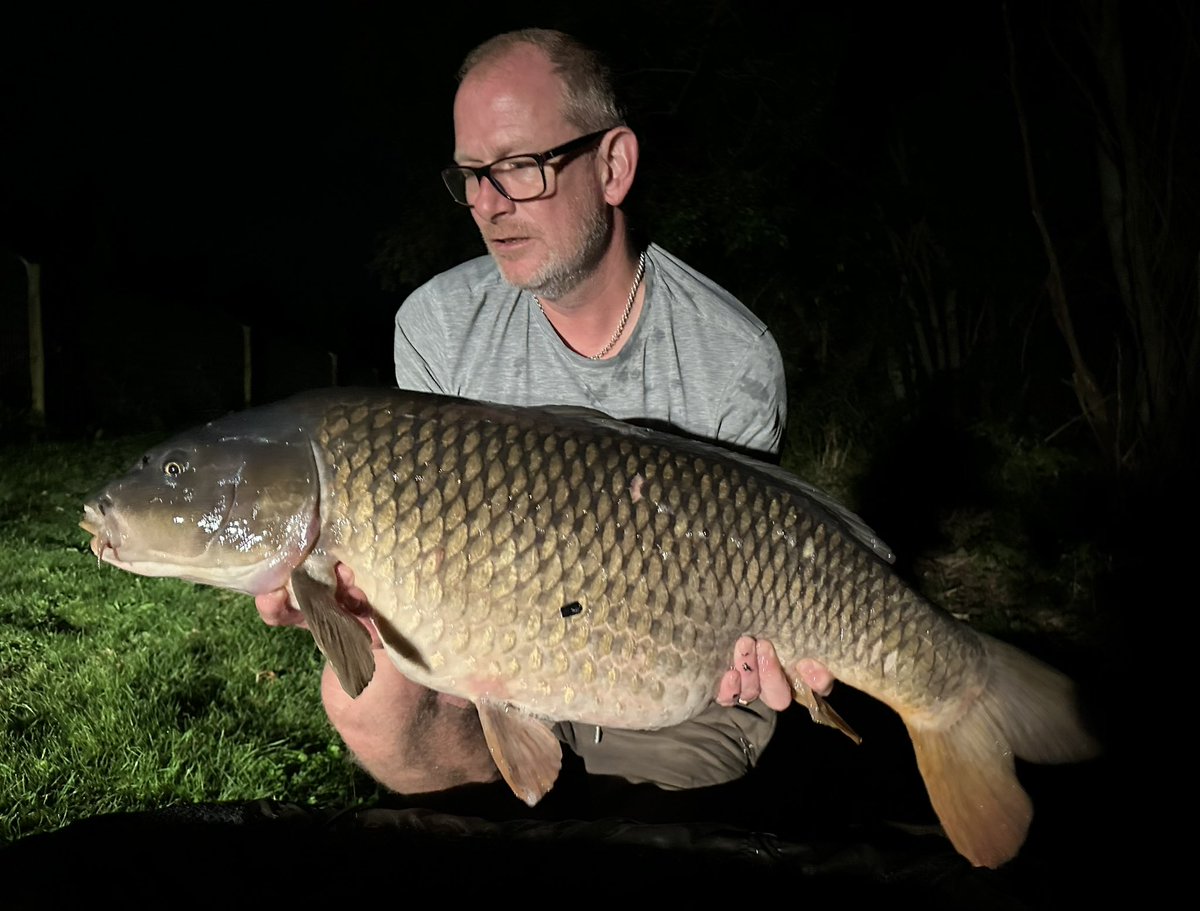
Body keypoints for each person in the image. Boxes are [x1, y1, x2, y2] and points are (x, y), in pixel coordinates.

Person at [256, 27, 833, 799]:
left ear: (613, 165)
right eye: (470, 175)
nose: (488, 205)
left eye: (520, 168)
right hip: (490, 656)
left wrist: (756, 650)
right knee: (363, 697)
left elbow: (755, 569)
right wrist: (342, 601)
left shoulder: (730, 356)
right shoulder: (435, 328)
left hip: (667, 672)